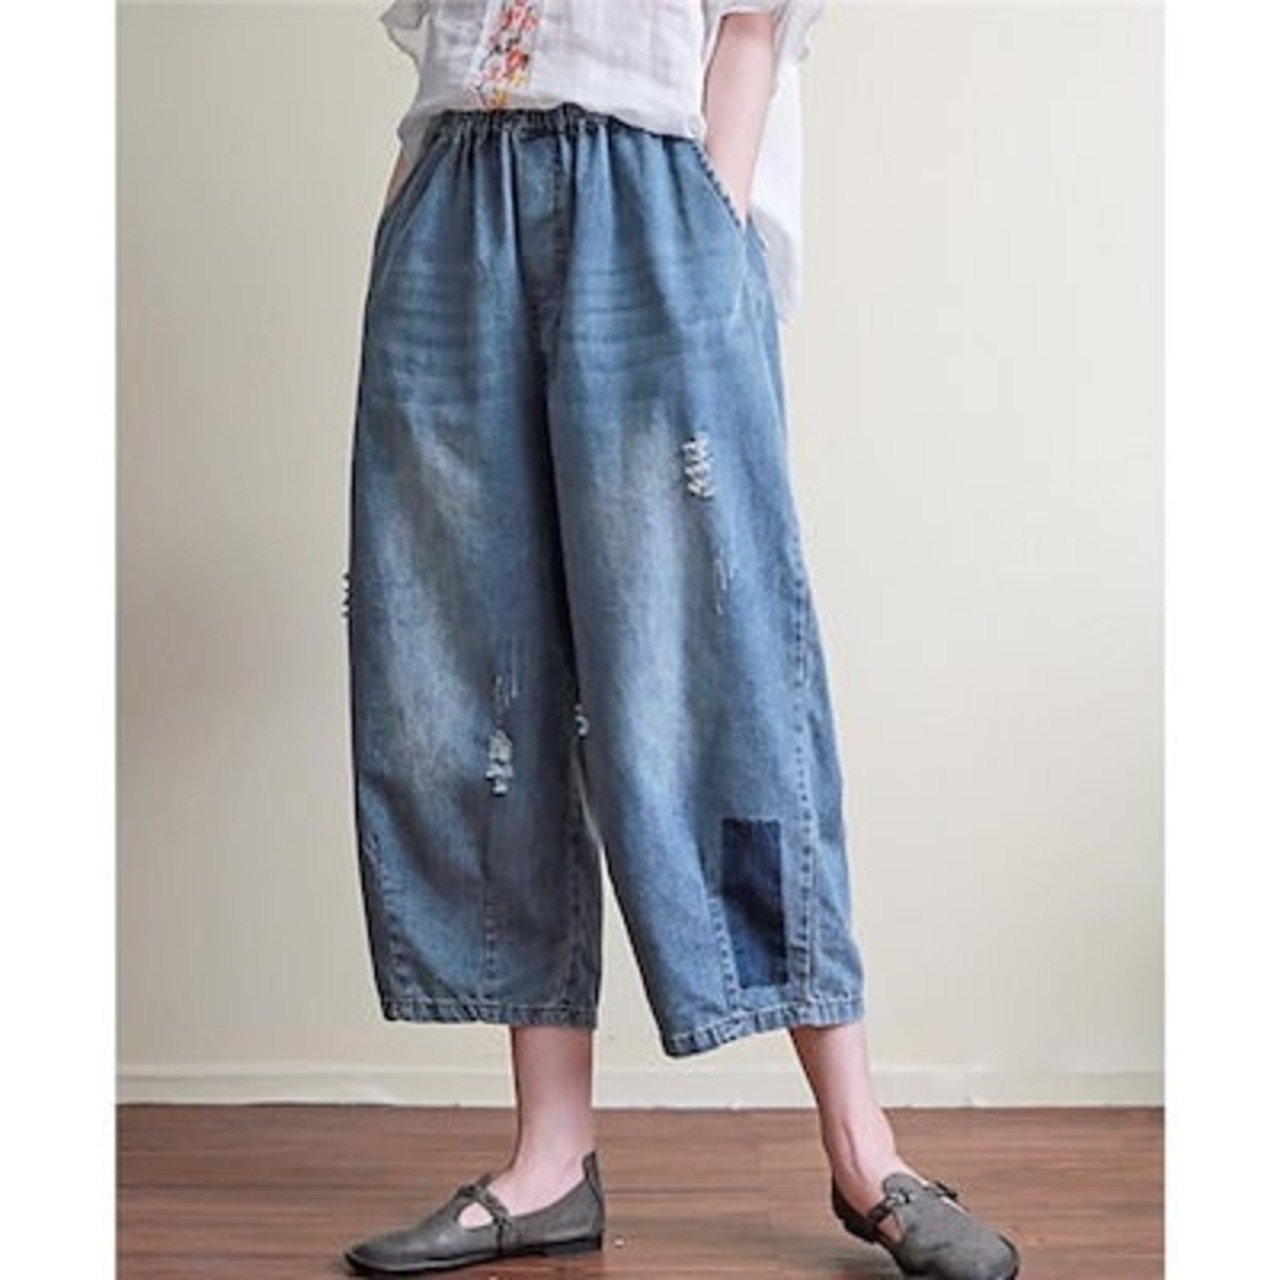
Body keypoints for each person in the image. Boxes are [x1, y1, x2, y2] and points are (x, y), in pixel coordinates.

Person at [341, 3, 1019, 1278]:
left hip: (650, 186)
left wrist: (709, 215)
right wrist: (404, 236)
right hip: (451, 198)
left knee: (720, 666)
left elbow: (750, 21)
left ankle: (862, 1146)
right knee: (474, 672)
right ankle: (548, 1157)